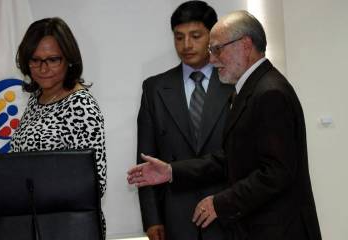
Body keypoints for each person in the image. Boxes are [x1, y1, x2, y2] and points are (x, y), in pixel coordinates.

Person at [128, 10, 322, 240]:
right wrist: (171, 171)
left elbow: (276, 173)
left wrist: (219, 203)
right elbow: (229, 159)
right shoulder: (250, 89)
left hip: (278, 229)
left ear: (245, 45)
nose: (212, 59)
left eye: (218, 49)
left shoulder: (270, 92)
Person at [136, 1, 233, 240]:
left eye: (195, 36)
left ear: (213, 36)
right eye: (179, 37)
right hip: (175, 215)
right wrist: (152, 219)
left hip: (226, 211)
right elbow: (145, 158)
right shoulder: (155, 88)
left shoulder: (233, 84)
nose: (186, 45)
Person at [10, 17, 107, 235]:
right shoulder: (36, 99)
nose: (43, 68)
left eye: (53, 60)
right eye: (35, 60)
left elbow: (94, 183)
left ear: (69, 60)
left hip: (69, 229)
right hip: (32, 226)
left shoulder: (81, 105)